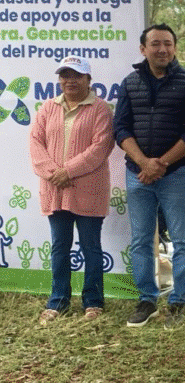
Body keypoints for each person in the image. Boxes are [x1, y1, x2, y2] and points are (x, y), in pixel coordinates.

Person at [114, 23, 185, 328]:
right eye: (155, 44)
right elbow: (121, 128)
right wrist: (144, 163)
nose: (162, 49)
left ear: (175, 47)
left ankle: (178, 301)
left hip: (175, 174)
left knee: (182, 239)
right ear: (143, 49)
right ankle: (147, 300)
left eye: (168, 43)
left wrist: (161, 164)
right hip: (138, 174)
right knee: (141, 240)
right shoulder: (130, 83)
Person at [30, 56, 114, 324]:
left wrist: (68, 171)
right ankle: (58, 300)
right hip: (55, 189)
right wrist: (53, 173)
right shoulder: (47, 107)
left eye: (77, 75)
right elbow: (35, 143)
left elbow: (101, 147)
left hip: (88, 189)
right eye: (65, 75)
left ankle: (93, 301)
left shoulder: (100, 109)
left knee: (91, 247)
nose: (70, 80)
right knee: (59, 247)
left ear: (88, 79)